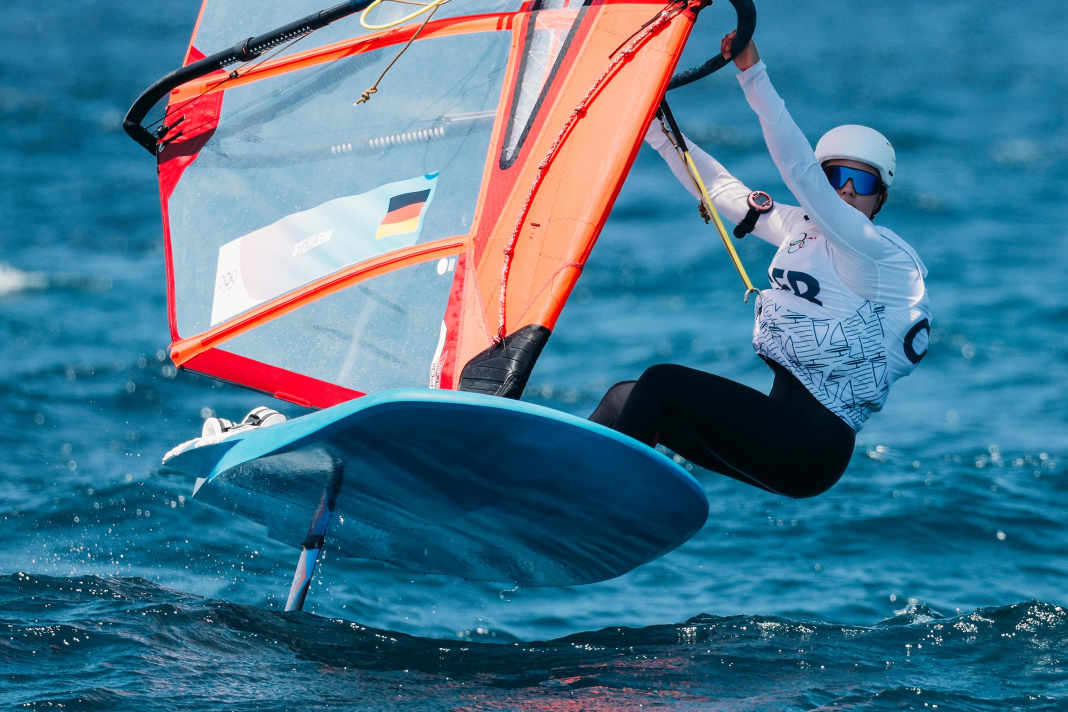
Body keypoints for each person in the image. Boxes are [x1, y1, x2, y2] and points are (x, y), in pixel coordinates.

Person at [589, 34, 932, 498]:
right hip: (782, 433)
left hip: (812, 445)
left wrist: (752, 73)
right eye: (836, 176)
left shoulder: (880, 256)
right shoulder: (801, 229)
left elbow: (798, 170)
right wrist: (650, 123)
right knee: (623, 399)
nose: (847, 190)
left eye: (862, 181)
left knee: (661, 385)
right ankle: (547, 489)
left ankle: (601, 505)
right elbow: (717, 188)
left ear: (880, 198)